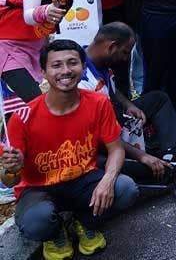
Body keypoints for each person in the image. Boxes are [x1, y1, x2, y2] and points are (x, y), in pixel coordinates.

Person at [3, 40, 139, 259]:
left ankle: (84, 221)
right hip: (39, 188)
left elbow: (116, 149)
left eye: (72, 63)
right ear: (43, 72)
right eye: (56, 65)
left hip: (84, 179)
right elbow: (10, 181)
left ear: (83, 67)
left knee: (126, 189)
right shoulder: (22, 117)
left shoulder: (98, 103)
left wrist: (108, 180)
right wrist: (11, 169)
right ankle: (56, 233)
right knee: (36, 222)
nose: (65, 70)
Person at [80, 22, 176, 171]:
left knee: (158, 99)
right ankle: (158, 165)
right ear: (112, 47)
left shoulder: (97, 59)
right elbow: (101, 136)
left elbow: (110, 88)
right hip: (102, 141)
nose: (125, 59)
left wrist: (128, 104)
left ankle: (173, 156)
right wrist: (141, 155)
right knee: (142, 172)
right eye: (125, 52)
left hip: (116, 117)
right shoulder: (82, 81)